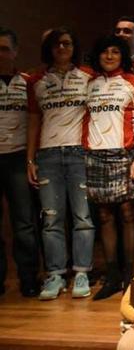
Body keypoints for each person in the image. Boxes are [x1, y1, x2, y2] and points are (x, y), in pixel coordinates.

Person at [26, 27, 96, 300]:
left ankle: (81, 272)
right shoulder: (36, 81)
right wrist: (30, 159)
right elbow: (33, 121)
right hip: (48, 155)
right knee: (52, 219)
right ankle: (55, 275)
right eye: (57, 45)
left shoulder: (88, 76)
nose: (62, 49)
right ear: (49, 49)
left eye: (67, 44)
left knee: (82, 217)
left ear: (74, 47)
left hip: (79, 153)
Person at [84, 35, 134, 300]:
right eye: (105, 52)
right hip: (95, 155)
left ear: (123, 55)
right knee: (103, 215)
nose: (110, 56)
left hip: (126, 153)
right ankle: (111, 275)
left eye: (115, 52)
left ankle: (130, 273)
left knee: (128, 213)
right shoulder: (89, 84)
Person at [0, 26, 39, 297]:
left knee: (24, 224)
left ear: (15, 52)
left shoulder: (28, 82)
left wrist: (30, 160)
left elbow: (38, 120)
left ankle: (28, 278)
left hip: (18, 158)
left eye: (4, 48)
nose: (0, 54)